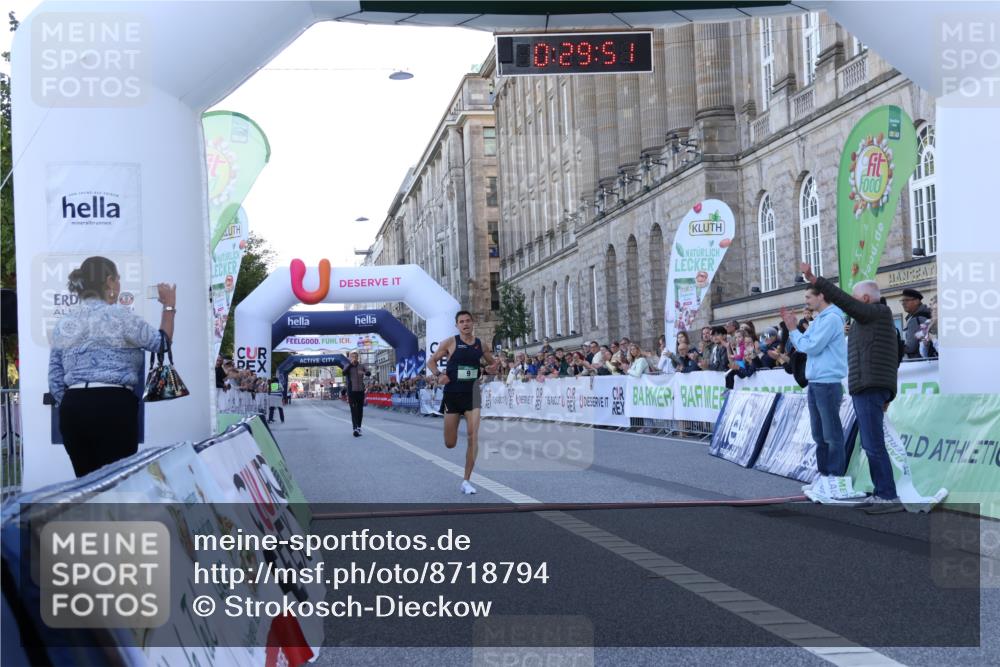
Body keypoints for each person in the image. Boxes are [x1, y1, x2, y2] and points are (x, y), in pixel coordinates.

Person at [48, 256, 177, 478]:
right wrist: (169, 306)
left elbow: (55, 378)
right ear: (109, 281)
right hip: (113, 407)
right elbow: (161, 344)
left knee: (87, 485)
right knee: (117, 484)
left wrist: (74, 402)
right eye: (118, 279)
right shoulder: (122, 317)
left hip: (73, 408)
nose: (119, 285)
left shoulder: (64, 323)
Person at [800, 262, 902, 514]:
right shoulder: (870, 320)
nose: (851, 305)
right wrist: (889, 391)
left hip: (869, 386)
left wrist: (816, 280)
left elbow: (845, 302)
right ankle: (882, 492)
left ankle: (888, 496)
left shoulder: (876, 312)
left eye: (856, 299)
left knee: (873, 444)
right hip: (867, 386)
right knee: (871, 443)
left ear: (865, 299)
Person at [781, 284, 848, 490]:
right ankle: (824, 475)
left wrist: (793, 329)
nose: (806, 301)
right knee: (819, 435)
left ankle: (834, 477)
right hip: (816, 382)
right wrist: (795, 331)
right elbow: (805, 344)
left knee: (831, 434)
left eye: (809, 297)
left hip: (827, 382)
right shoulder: (819, 319)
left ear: (821, 296)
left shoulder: (832, 319)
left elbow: (810, 346)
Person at [427, 310, 498, 495]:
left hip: (472, 395)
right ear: (457, 325)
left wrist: (490, 370)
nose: (465, 324)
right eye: (461, 321)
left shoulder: (481, 344)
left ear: (473, 323)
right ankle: (453, 439)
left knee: (473, 437)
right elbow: (431, 362)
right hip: (452, 395)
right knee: (450, 443)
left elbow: (493, 365)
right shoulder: (450, 342)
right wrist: (439, 375)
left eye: (468, 321)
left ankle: (466, 480)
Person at [900, 288, 935, 358]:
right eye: (902, 301)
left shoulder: (915, 320)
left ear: (916, 301)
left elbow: (910, 348)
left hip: (918, 361)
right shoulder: (929, 314)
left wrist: (896, 346)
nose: (903, 303)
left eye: (906, 300)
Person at [344, 351, 370, 437]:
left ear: (358, 357)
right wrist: (350, 364)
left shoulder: (362, 366)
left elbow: (369, 373)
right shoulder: (348, 366)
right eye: (353, 357)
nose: (354, 358)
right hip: (352, 392)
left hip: (360, 391)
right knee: (353, 411)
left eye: (355, 357)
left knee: (360, 411)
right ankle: (355, 429)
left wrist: (364, 373)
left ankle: (359, 427)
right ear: (350, 358)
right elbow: (344, 372)